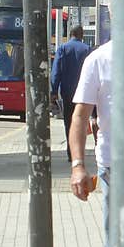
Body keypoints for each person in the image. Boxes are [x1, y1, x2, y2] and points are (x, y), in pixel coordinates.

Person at [68, 0, 112, 247]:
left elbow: (80, 117)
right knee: (116, 246)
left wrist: (78, 167)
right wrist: (78, 165)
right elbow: (80, 117)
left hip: (112, 166)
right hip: (114, 168)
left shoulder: (97, 58)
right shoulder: (97, 59)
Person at [50, 24, 92, 162]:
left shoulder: (63, 48)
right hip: (84, 93)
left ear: (70, 34)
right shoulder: (87, 50)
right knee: (82, 122)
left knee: (69, 122)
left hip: (67, 93)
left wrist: (54, 91)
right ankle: (80, 153)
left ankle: (71, 153)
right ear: (82, 35)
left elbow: (56, 72)